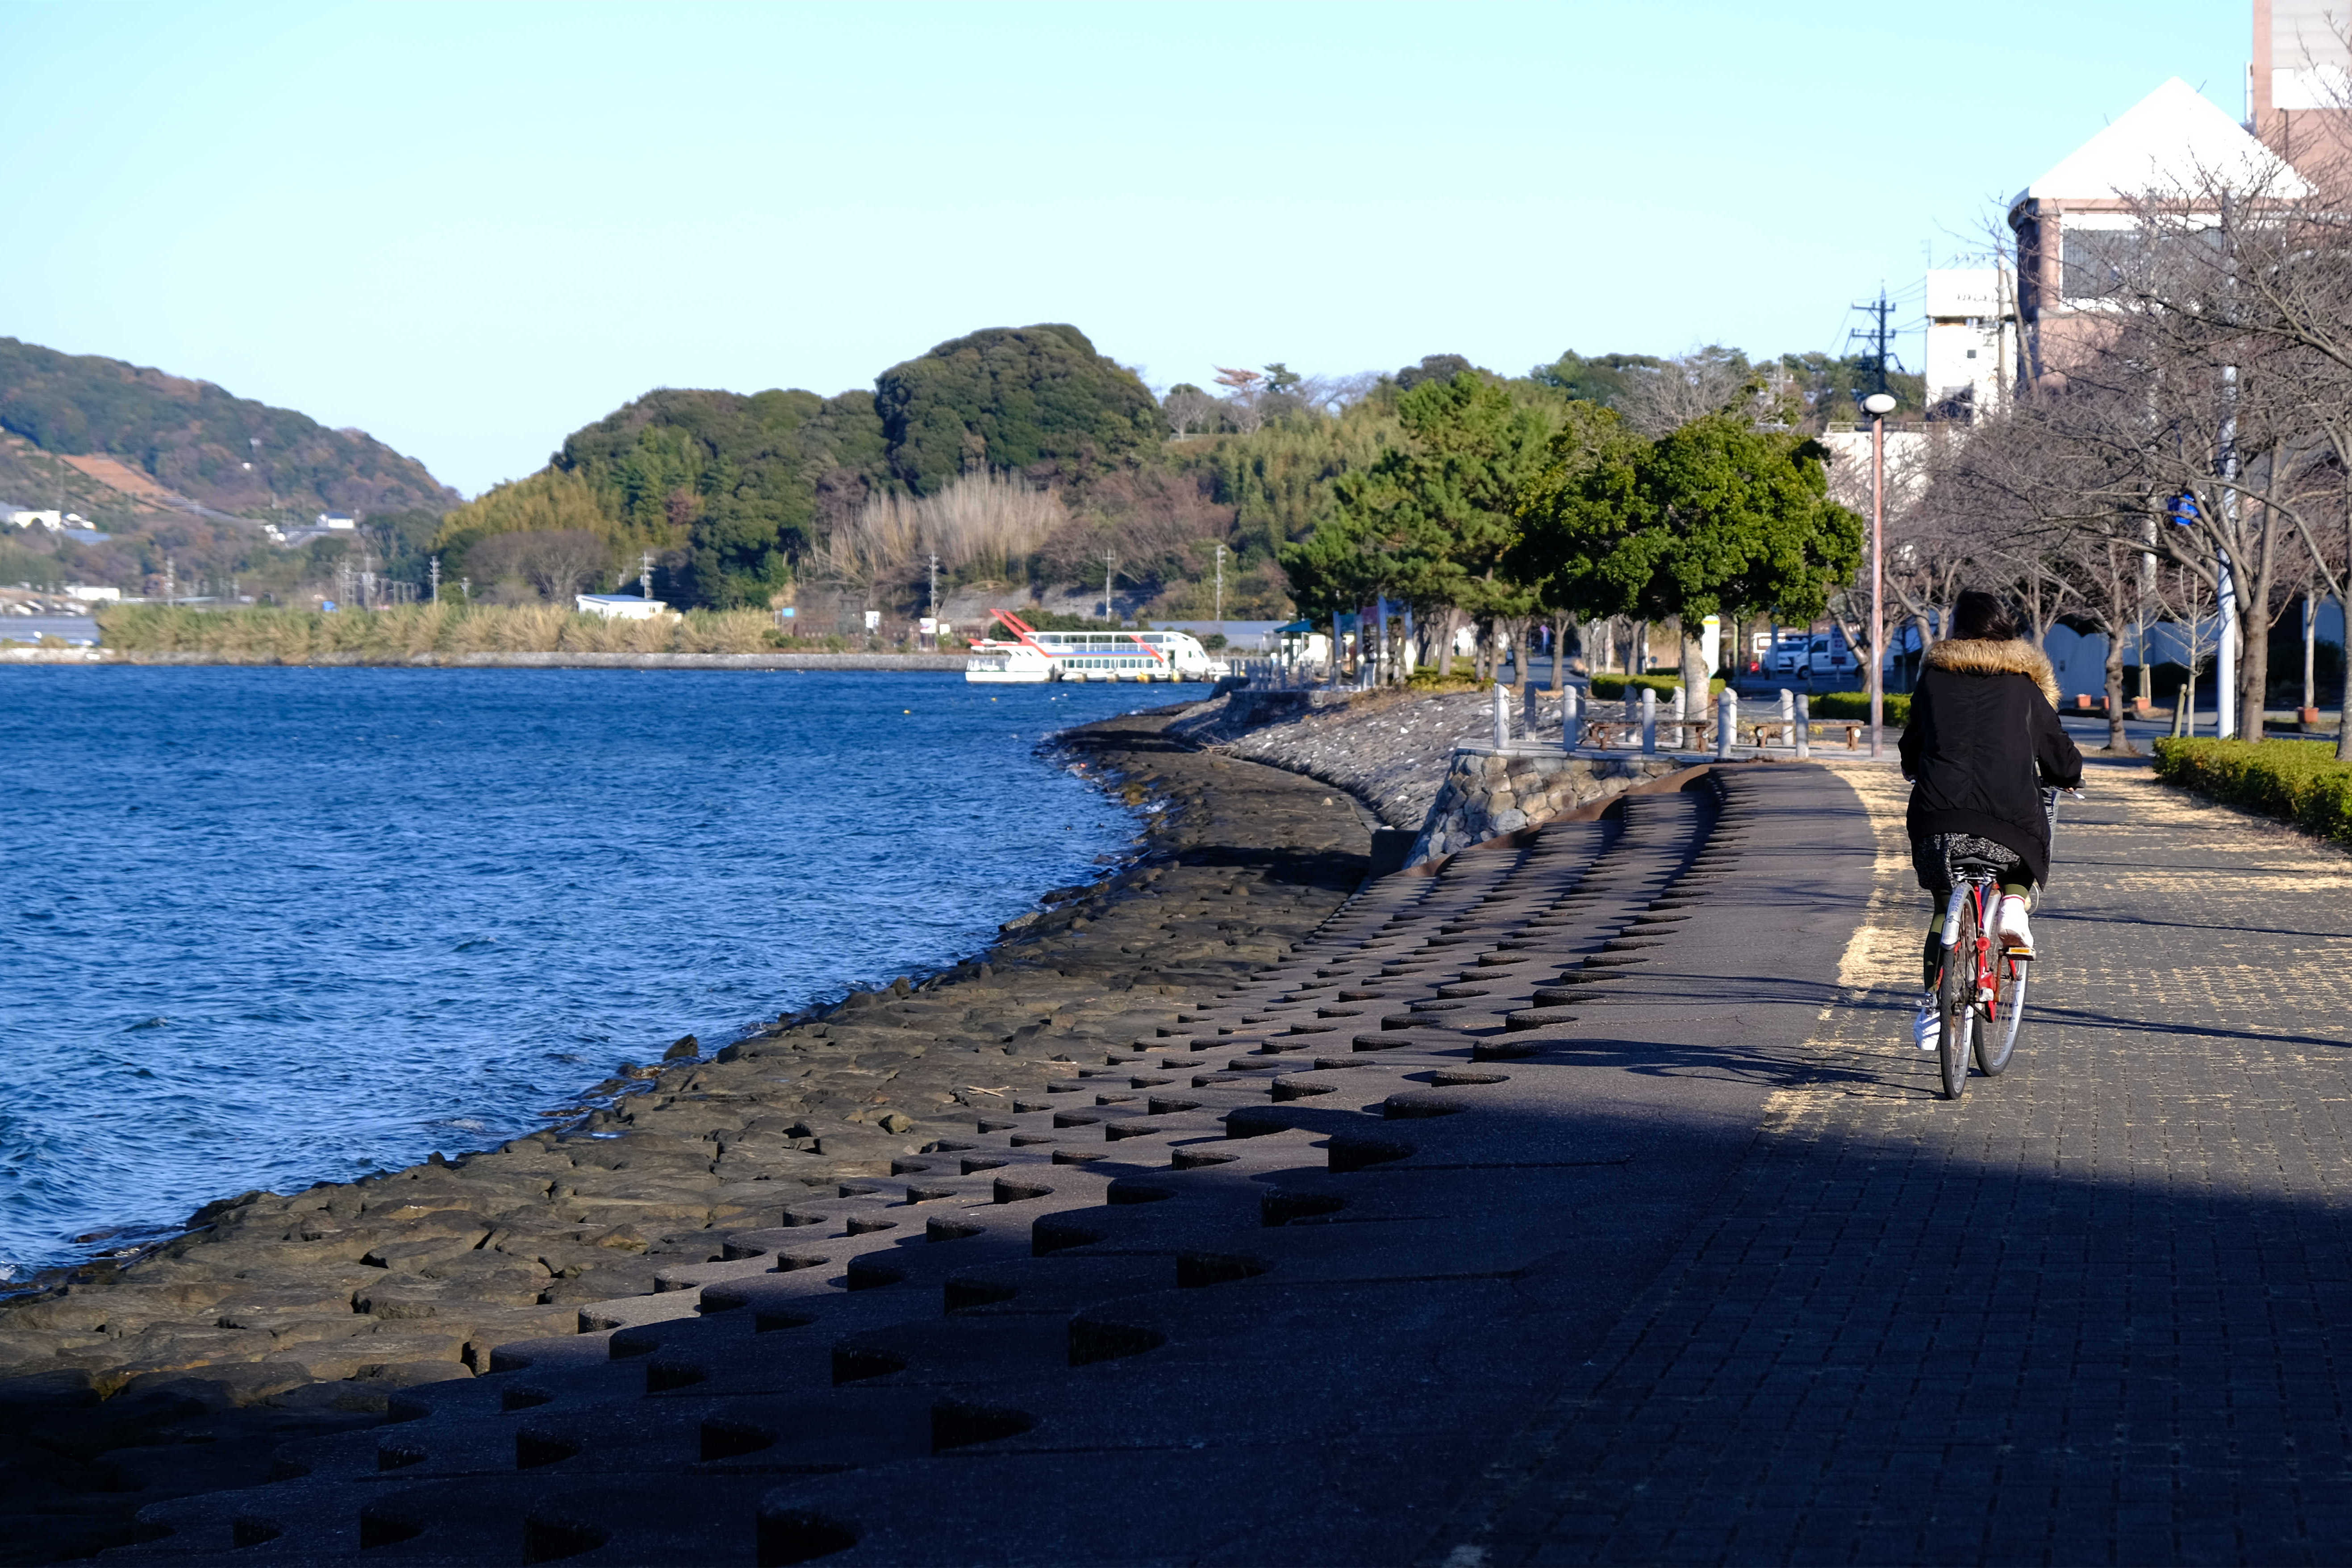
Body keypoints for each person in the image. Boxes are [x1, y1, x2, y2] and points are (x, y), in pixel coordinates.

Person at [1896, 590, 2083, 1050]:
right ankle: (2015, 905)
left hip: (1938, 817)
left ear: (1957, 630)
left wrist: (1917, 767)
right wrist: (2069, 776)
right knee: (2028, 847)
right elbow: (2058, 752)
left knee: (1944, 907)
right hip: (2008, 815)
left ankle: (1934, 1006)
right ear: (2006, 629)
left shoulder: (1934, 680)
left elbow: (1911, 747)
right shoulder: (2024, 686)